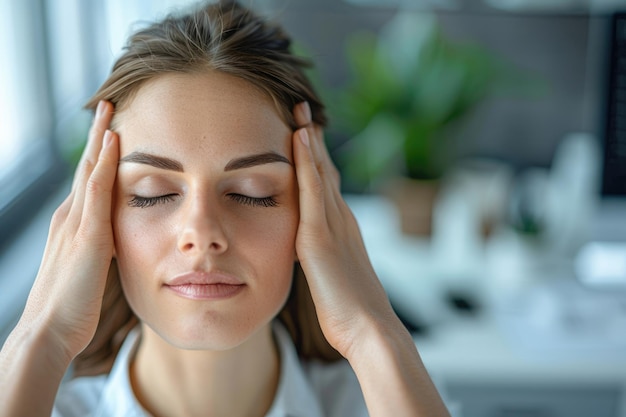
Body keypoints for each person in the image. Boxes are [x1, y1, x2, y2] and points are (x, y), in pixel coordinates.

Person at [0, 1, 451, 416]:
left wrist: (372, 331)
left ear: (317, 215)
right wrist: (44, 334)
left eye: (251, 193)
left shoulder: (392, 398)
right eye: (153, 192)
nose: (202, 231)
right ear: (97, 220)